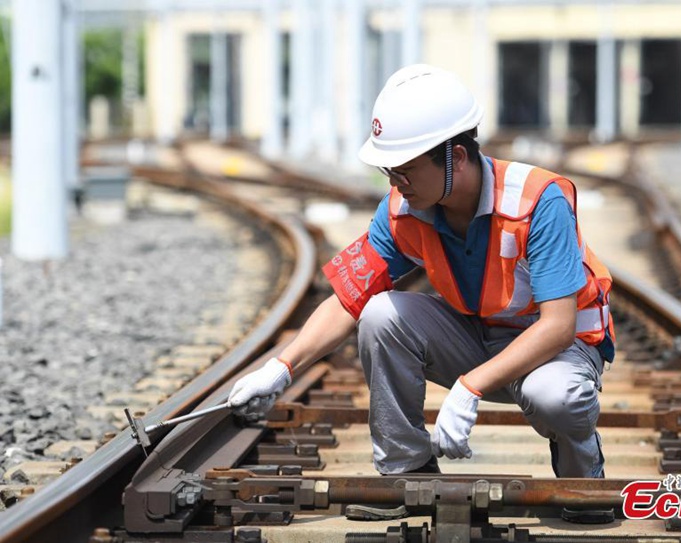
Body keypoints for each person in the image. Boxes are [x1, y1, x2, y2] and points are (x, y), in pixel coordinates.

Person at [227, 64, 616, 523]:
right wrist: (280, 367)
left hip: (556, 352)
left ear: (457, 156)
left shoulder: (537, 200)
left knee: (558, 398)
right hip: (478, 338)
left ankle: (583, 480)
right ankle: (404, 472)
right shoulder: (405, 209)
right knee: (380, 313)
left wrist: (470, 389)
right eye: (390, 170)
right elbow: (349, 300)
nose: (396, 182)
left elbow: (558, 326)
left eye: (406, 170)